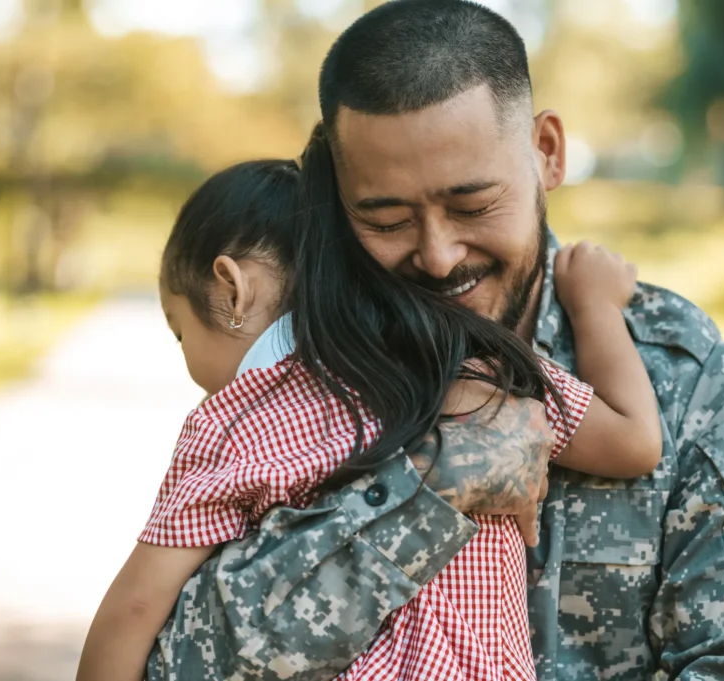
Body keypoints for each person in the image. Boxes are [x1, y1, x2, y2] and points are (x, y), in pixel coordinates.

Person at [149, 1, 724, 680]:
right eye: (387, 217)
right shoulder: (302, 385)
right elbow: (174, 659)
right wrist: (422, 496)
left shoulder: (694, 393)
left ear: (546, 152)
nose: (440, 254)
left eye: (472, 205)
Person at [76, 143, 664, 680]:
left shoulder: (229, 425)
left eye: (180, 333)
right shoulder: (461, 362)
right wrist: (595, 305)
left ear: (232, 289)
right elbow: (635, 441)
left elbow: (136, 605)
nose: (189, 363)